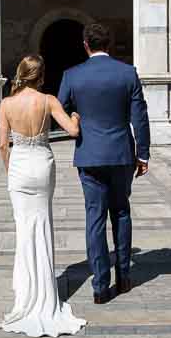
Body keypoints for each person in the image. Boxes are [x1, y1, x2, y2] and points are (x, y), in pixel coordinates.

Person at [58, 23, 150, 304]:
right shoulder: (127, 73)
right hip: (121, 154)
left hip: (89, 154)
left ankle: (100, 286)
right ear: (108, 44)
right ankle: (124, 277)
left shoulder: (72, 75)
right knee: (121, 213)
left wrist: (75, 116)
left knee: (94, 219)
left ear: (86, 44)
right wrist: (143, 153)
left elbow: (59, 108)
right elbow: (140, 117)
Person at [0, 54, 87, 337]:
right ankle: (45, 291)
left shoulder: (7, 103)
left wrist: (11, 170)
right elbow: (72, 131)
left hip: (20, 168)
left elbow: (2, 144)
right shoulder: (48, 100)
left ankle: (25, 291)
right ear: (42, 75)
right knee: (43, 224)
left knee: (24, 228)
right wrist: (75, 116)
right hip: (43, 165)